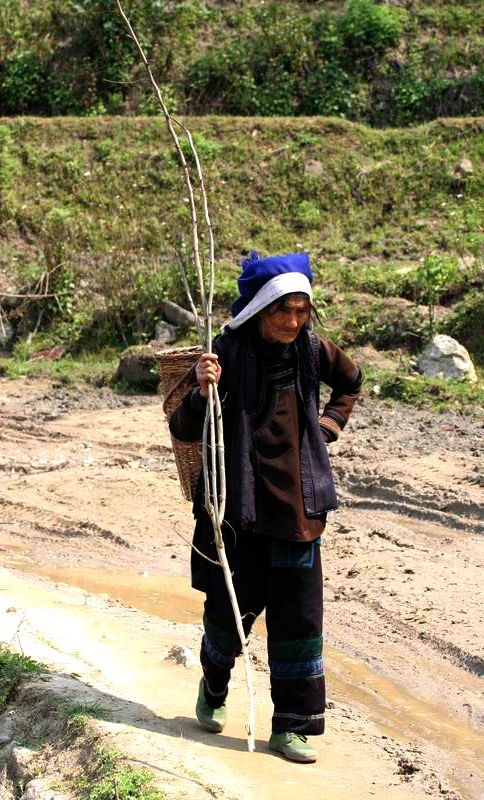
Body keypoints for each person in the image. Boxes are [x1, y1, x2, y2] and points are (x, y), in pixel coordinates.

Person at [169, 251, 362, 763]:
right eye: (283, 312)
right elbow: (183, 428)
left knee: (299, 619)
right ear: (259, 309)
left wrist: (327, 428)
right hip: (237, 509)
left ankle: (292, 727)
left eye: (302, 311)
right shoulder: (225, 353)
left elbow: (351, 382)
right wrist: (200, 386)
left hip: (299, 510)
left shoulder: (314, 350)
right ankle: (213, 689)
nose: (293, 321)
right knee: (230, 612)